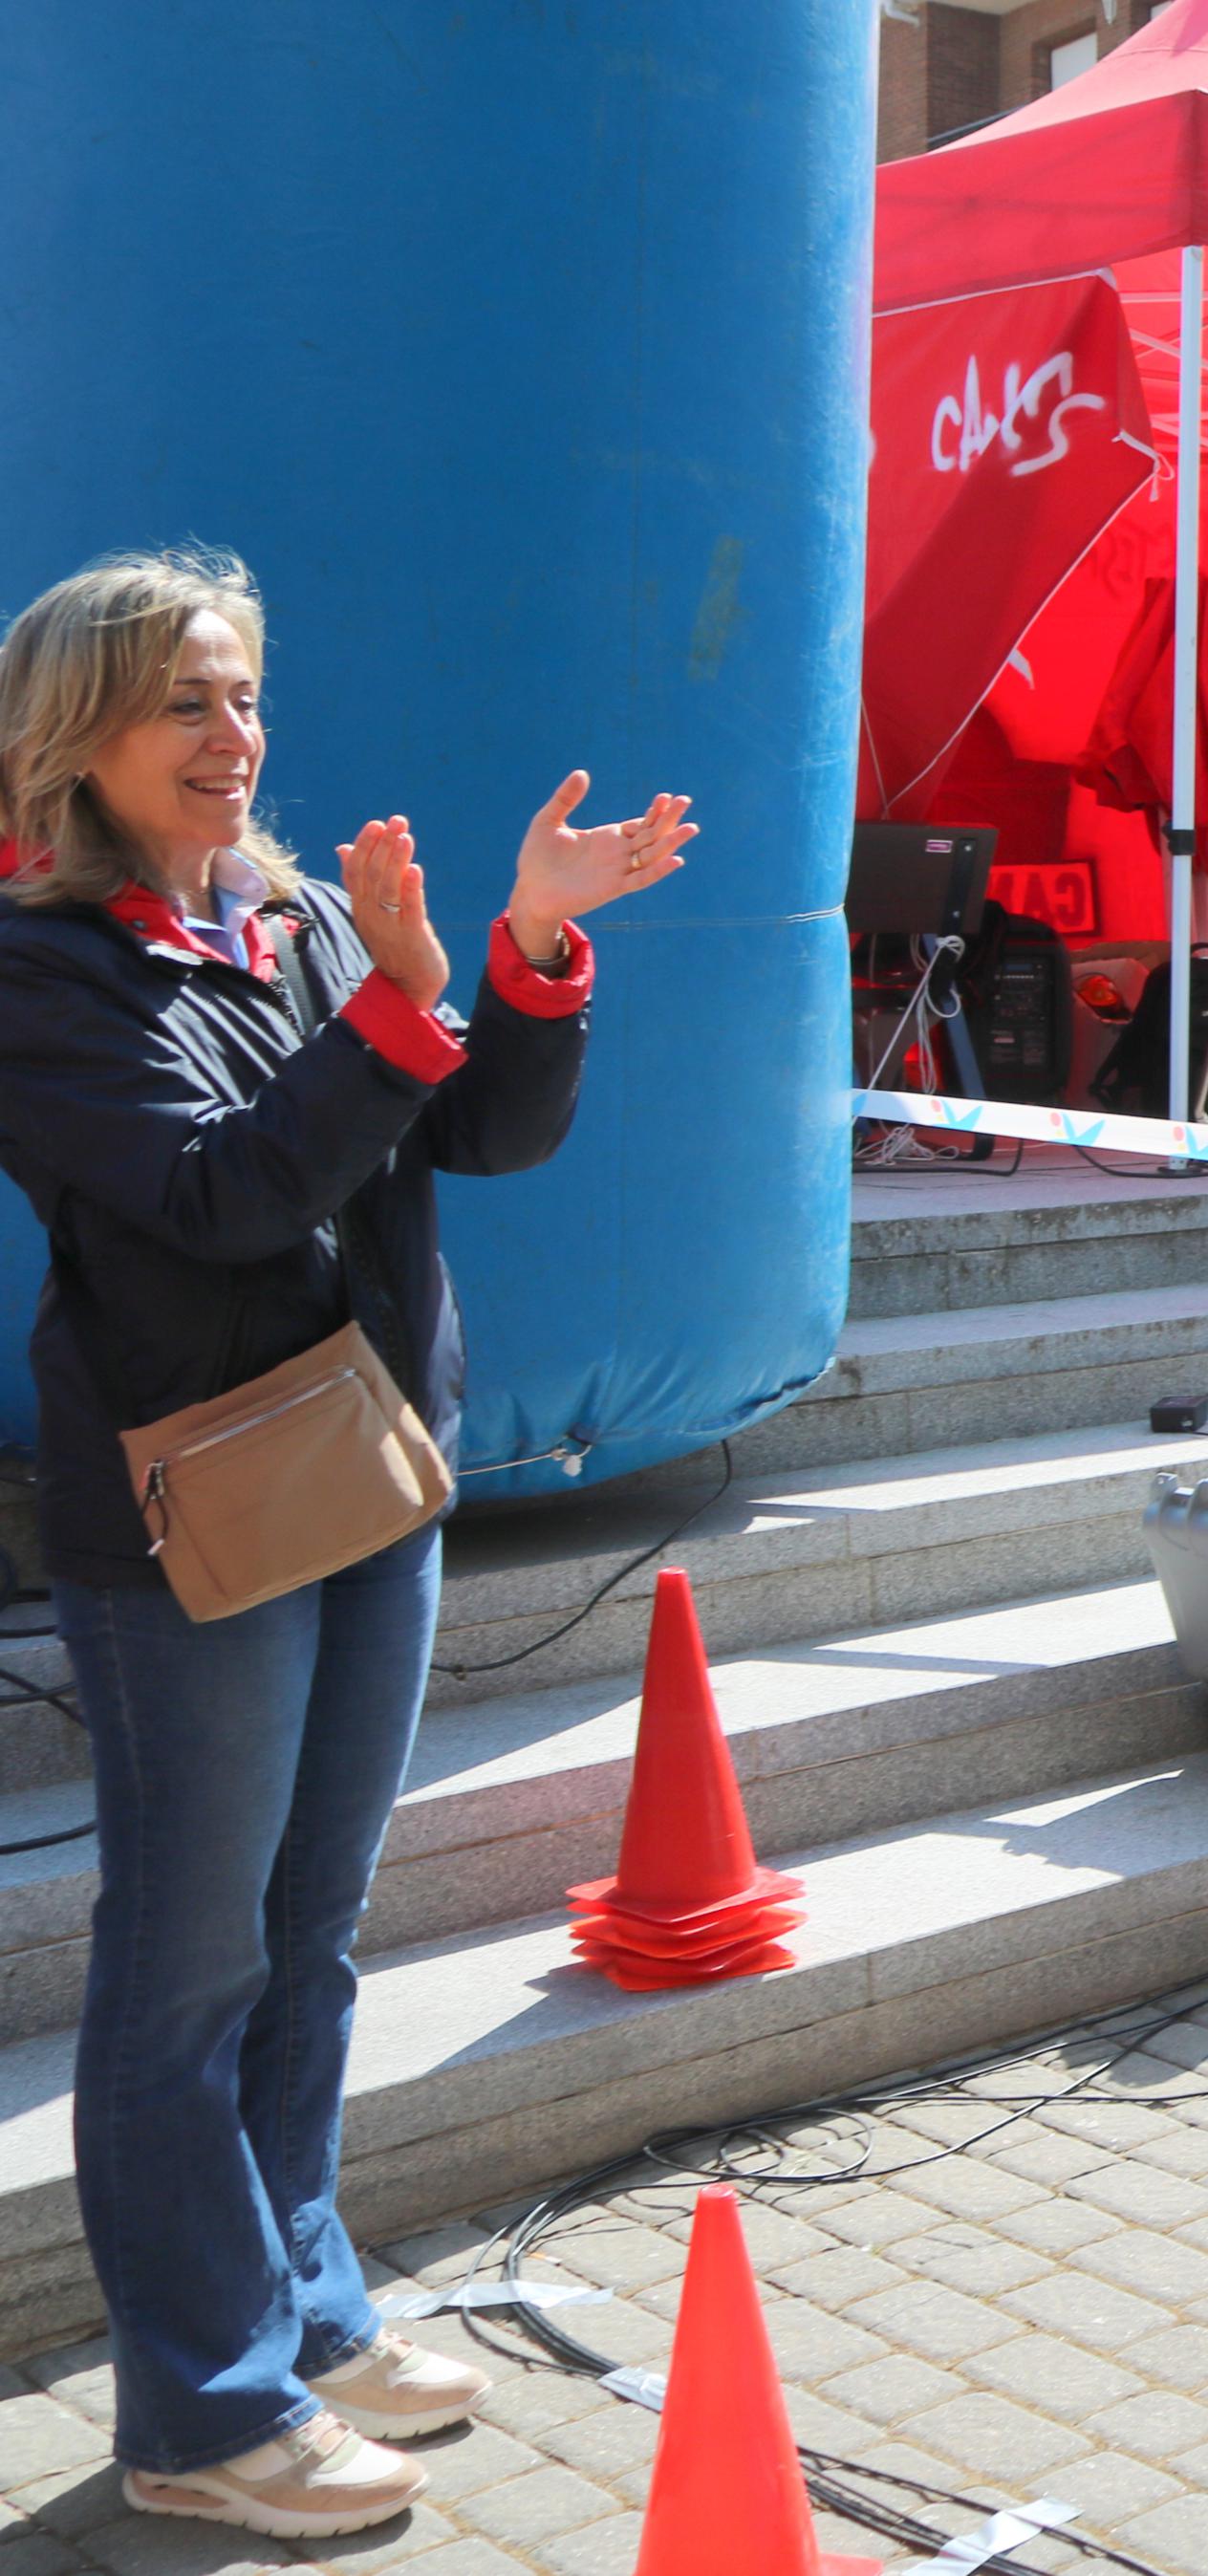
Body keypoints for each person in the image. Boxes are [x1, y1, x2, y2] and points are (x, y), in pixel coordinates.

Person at [0, 549, 691, 2538]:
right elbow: (216, 1194)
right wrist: (396, 1005)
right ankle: (202, 2413)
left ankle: (302, 2314)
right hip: (197, 1514)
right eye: (186, 706)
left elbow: (476, 1137)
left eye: (242, 697)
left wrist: (525, 961)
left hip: (370, 1477)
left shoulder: (297, 920)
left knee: (312, 1937)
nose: (236, 738)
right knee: (184, 1970)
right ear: (81, 744)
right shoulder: (39, 968)